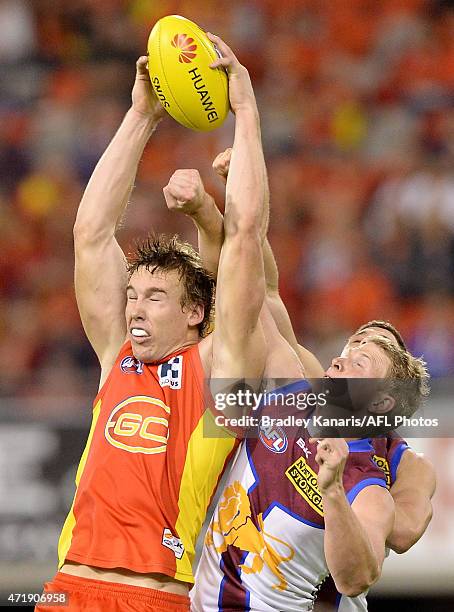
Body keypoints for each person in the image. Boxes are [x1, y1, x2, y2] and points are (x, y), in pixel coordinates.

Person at [37, 35, 269, 612]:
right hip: (64, 590)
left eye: (156, 297)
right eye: (133, 294)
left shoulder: (218, 371)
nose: (135, 307)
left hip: (152, 597)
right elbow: (89, 233)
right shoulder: (116, 355)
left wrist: (246, 112)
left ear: (195, 313)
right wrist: (141, 115)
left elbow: (244, 240)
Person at [162, 154, 434, 610]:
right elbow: (258, 291)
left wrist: (331, 490)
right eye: (348, 349)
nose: (342, 359)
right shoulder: (296, 387)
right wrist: (231, 199)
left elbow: (383, 551)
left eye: (364, 357)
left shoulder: (379, 473)